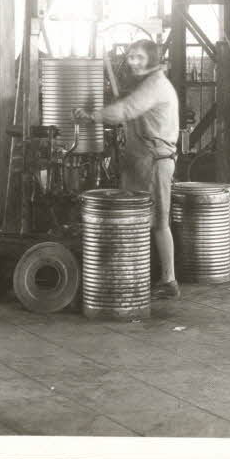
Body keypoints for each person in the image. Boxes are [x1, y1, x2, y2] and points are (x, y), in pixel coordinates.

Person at [74, 39, 181, 300]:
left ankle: (168, 281)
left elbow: (126, 109)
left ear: (153, 59)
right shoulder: (145, 83)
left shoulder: (155, 85)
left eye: (139, 57)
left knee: (158, 221)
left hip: (154, 161)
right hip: (139, 160)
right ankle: (136, 274)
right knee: (135, 221)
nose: (133, 61)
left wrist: (92, 117)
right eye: (131, 56)